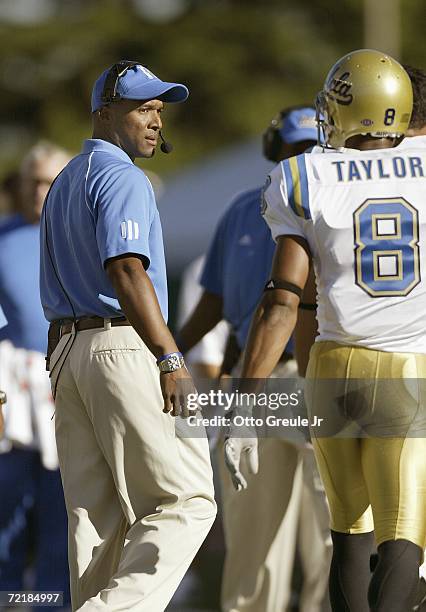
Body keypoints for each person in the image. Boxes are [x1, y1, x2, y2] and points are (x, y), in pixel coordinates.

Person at [232, 49, 426, 612]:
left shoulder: (303, 173)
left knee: (347, 531)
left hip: (331, 365)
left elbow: (281, 302)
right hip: (405, 370)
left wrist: (244, 408)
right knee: (402, 540)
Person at [40, 60, 216, 612]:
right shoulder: (121, 176)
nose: (156, 120)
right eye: (142, 107)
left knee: (95, 519)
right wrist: (170, 358)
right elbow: (126, 270)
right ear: (105, 113)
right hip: (120, 345)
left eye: (159, 109)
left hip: (68, 351)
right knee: (188, 499)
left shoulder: (66, 178)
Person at [178, 106, 331, 612]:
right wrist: (170, 354)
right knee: (252, 534)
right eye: (294, 150)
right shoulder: (244, 210)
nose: (304, 160)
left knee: (333, 533)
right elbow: (214, 300)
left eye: (313, 149)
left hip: (320, 374)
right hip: (254, 378)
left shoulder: (340, 205)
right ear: (274, 152)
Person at [0, 143, 71, 609]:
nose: (42, 191)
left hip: (67, 386)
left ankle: (50, 604)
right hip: (10, 394)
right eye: (35, 181)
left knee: (61, 519)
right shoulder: (4, 237)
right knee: (7, 520)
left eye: (52, 181)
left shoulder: (80, 237)